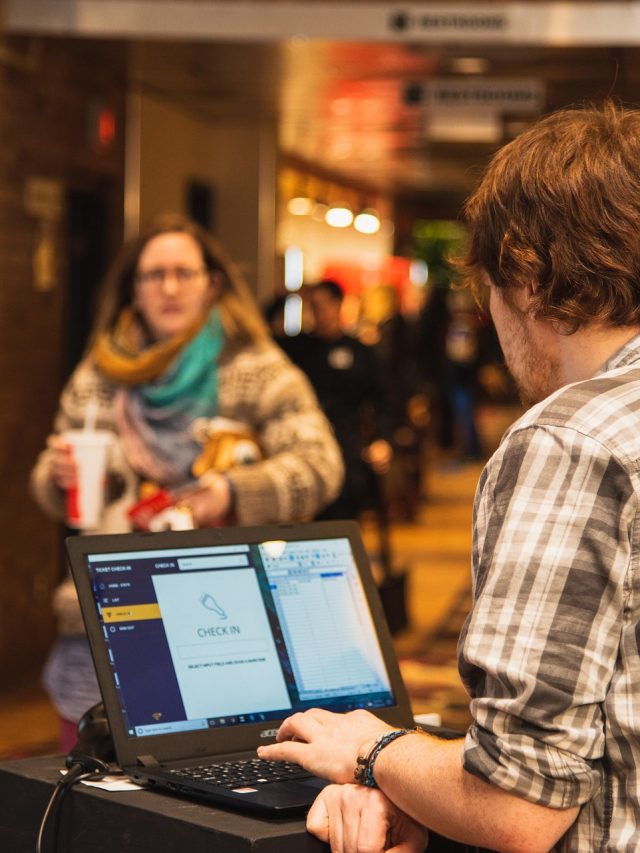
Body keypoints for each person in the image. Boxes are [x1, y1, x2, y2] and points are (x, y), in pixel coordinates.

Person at [258, 102, 640, 851]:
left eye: (488, 288)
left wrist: (373, 750)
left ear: (525, 275)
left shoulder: (569, 440)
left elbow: (518, 804)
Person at [31, 212, 343, 749]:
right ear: (133, 288)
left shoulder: (256, 368)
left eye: (184, 273)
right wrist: (57, 476)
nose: (170, 288)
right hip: (111, 615)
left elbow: (321, 465)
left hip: (225, 619)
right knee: (91, 775)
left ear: (212, 283)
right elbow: (54, 466)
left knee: (206, 768)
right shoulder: (101, 372)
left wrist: (233, 492)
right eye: (154, 275)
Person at [289, 279, 393, 520]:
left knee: (345, 509)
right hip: (305, 444)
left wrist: (382, 439)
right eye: (315, 306)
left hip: (347, 444)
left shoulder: (359, 351)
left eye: (326, 304)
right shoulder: (298, 347)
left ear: (338, 305)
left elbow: (383, 397)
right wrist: (285, 296)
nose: (321, 312)